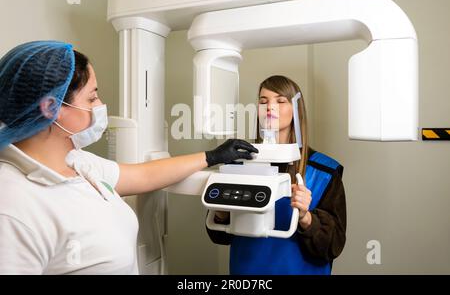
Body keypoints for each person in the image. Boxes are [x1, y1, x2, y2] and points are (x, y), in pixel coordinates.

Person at [0, 41, 258, 275]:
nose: (100, 105)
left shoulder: (78, 162)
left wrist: (212, 156)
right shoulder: (12, 205)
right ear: (50, 107)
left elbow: (144, 175)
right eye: (92, 97)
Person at [207, 75, 346, 275]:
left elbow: (334, 245)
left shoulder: (324, 172)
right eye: (263, 102)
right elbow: (219, 237)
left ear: (296, 110)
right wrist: (221, 212)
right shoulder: (238, 164)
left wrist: (307, 218)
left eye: (280, 101)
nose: (270, 107)